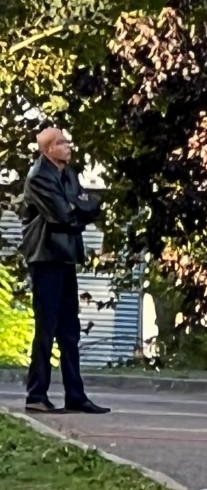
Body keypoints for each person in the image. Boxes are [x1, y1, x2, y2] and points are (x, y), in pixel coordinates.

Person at [20, 125, 110, 414]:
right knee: (46, 328)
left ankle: (75, 394)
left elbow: (89, 205)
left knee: (70, 329)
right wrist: (77, 208)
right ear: (48, 149)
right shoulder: (39, 177)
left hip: (66, 255)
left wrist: (77, 208)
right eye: (61, 143)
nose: (68, 146)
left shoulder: (68, 173)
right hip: (45, 257)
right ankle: (36, 394)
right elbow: (63, 214)